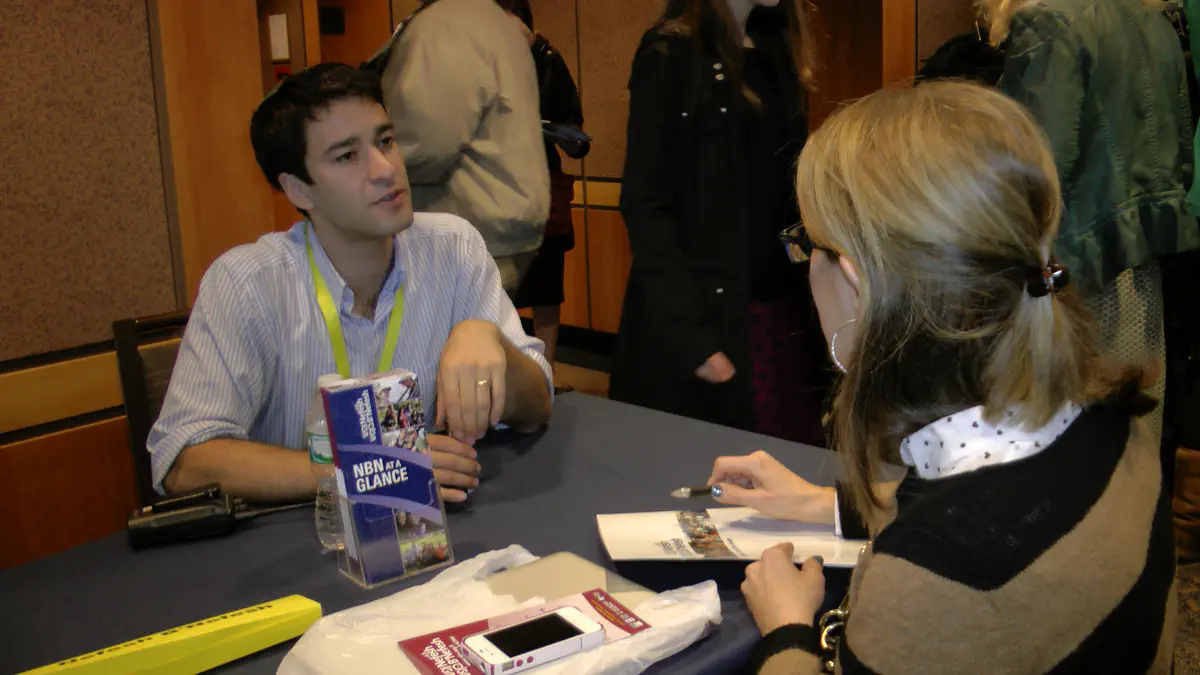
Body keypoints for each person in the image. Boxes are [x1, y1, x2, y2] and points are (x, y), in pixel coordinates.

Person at [708, 83, 1175, 672]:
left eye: (808, 244)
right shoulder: (1115, 425)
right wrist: (826, 505)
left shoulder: (933, 577)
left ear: (855, 282)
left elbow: (950, 571)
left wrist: (786, 629)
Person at [147, 63, 553, 504]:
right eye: (346, 156)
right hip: (306, 534)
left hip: (438, 525)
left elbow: (538, 407)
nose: (384, 169)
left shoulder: (453, 248)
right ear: (299, 190)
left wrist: (489, 338)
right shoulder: (248, 284)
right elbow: (185, 462)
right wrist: (363, 470)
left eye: (386, 141)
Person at [979, 0, 1199, 452]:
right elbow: (1179, 149)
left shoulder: (1048, 19)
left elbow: (1037, 168)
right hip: (1141, 265)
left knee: (1060, 436)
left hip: (1068, 267)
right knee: (1130, 433)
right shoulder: (1155, 21)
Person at [610, 0, 831, 446]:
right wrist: (691, 336)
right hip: (713, 316)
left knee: (790, 464)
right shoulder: (671, 53)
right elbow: (646, 203)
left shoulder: (775, 51)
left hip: (780, 316)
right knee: (723, 469)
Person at [375, 0, 550, 297]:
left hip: (462, 227)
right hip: (499, 218)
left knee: (446, 327)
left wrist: (373, 165)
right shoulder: (493, 19)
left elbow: (424, 143)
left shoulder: (444, 26)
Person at [500, 0, 592, 375]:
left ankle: (547, 372)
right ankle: (504, 372)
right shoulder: (480, 60)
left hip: (543, 186)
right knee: (496, 286)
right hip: (495, 188)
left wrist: (556, 132)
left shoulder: (547, 58)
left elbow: (575, 129)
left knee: (547, 286)